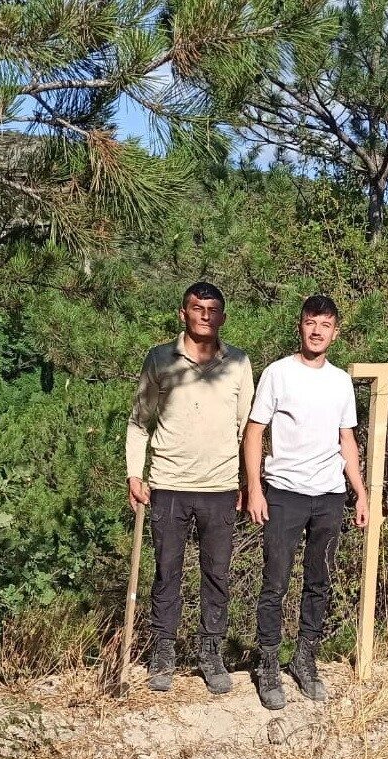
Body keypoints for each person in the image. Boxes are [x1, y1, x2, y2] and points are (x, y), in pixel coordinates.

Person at [126, 281, 254, 694]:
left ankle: (211, 654)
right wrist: (134, 474)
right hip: (168, 485)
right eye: (196, 308)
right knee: (167, 573)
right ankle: (163, 655)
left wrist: (247, 483)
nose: (204, 315)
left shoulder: (238, 363)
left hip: (219, 487)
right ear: (183, 313)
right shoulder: (160, 358)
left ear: (222, 316)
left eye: (212, 309)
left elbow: (247, 428)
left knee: (216, 575)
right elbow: (138, 422)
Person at [243, 295, 369, 710]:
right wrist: (256, 489)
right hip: (284, 493)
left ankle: (305, 659)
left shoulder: (339, 381)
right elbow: (255, 432)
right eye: (310, 322)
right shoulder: (278, 373)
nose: (317, 331)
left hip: (330, 496)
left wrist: (360, 493)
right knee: (275, 582)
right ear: (300, 326)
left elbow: (346, 438)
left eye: (325, 324)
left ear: (336, 331)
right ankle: (268, 665)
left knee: (320, 581)